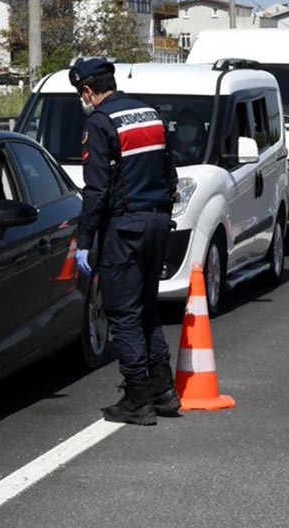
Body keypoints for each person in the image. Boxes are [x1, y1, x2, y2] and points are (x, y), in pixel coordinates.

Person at [70, 57, 179, 426]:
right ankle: (164, 390)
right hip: (159, 221)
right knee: (148, 307)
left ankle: (137, 399)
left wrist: (84, 239)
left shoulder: (99, 124)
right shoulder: (149, 113)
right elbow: (170, 170)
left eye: (80, 93)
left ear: (88, 90)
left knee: (124, 315)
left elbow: (97, 190)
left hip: (125, 228)